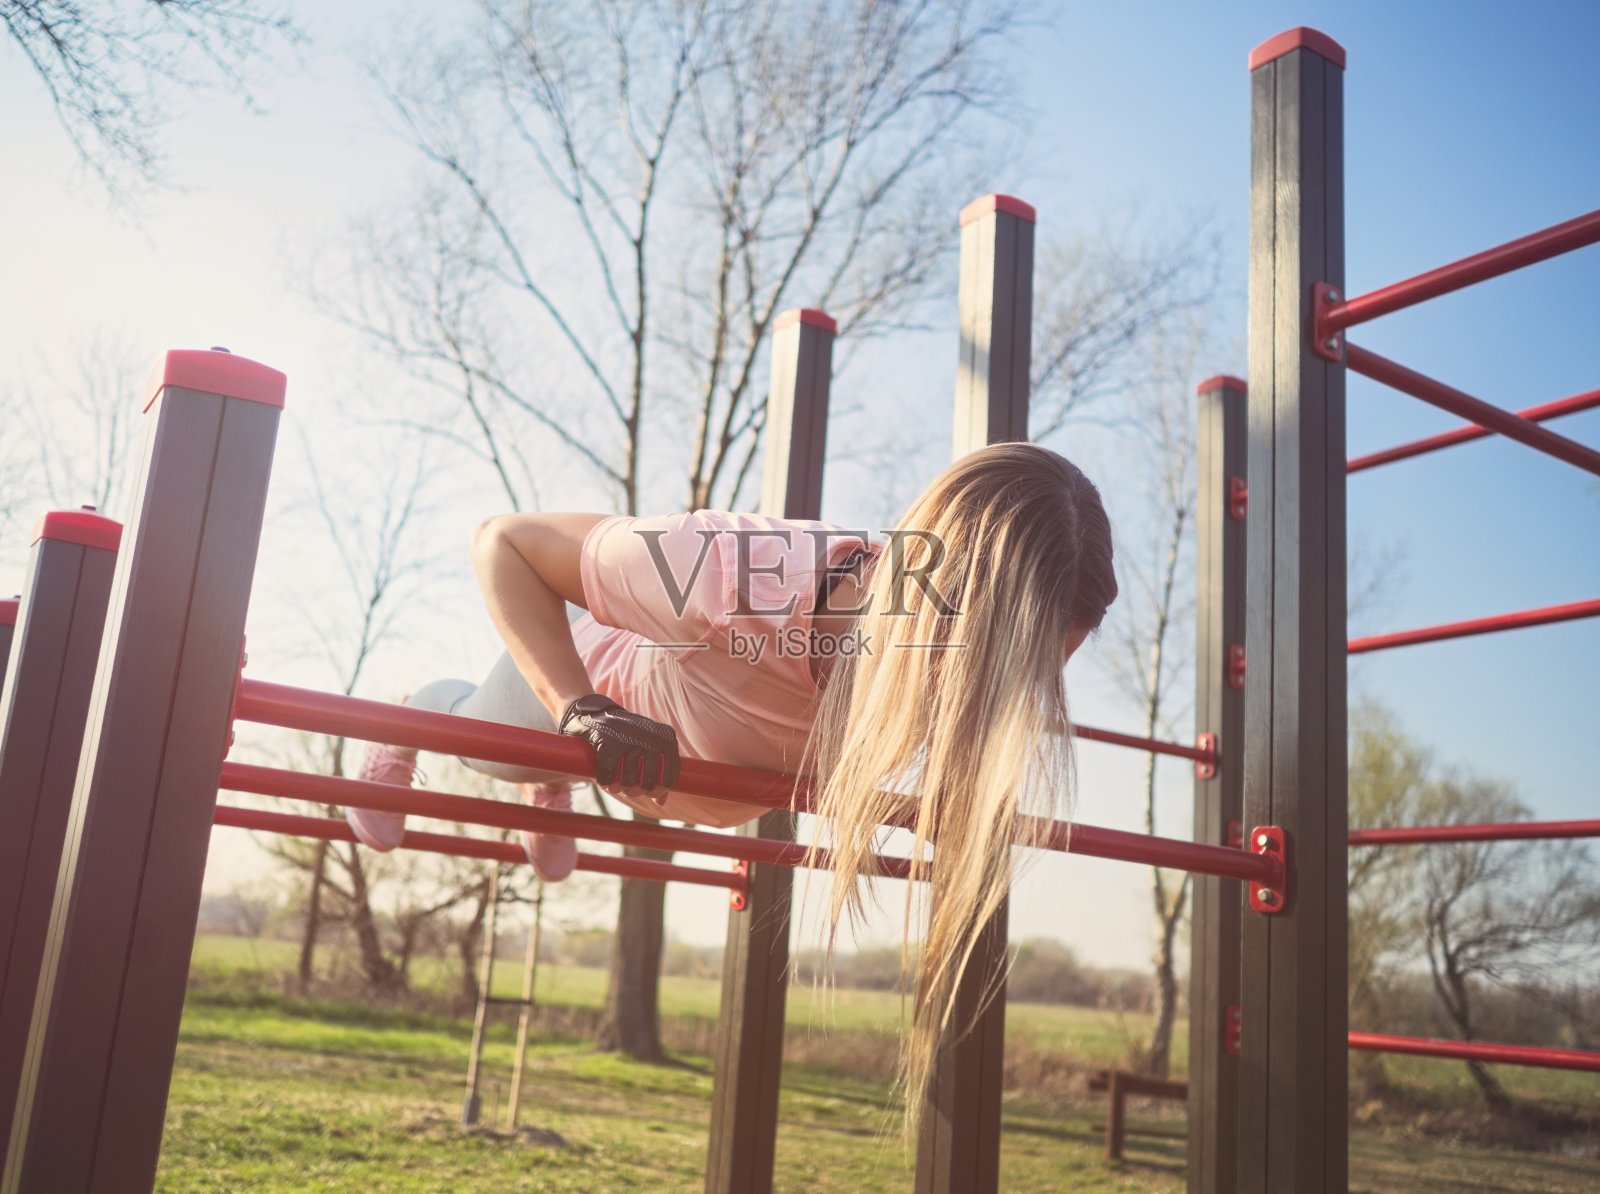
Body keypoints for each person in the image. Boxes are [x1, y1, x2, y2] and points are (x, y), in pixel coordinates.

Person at [347, 441, 1116, 1122]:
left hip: (680, 774)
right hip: (592, 685)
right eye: (978, 668)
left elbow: (826, 772)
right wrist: (578, 709)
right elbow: (505, 542)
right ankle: (414, 715)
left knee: (545, 766)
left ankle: (554, 788)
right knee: (493, 747)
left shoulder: (946, 680)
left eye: (1022, 683)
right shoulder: (738, 573)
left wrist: (918, 809)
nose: (976, 702)